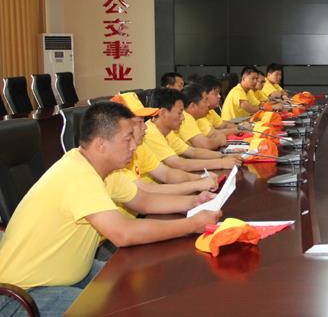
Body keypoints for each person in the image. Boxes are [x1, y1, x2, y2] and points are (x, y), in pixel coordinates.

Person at [0, 103, 221, 316]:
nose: (134, 146)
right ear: (100, 145)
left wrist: (194, 202)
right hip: (23, 294)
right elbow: (124, 233)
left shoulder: (104, 171)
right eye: (127, 139)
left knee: (141, 287)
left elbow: (144, 201)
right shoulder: (77, 175)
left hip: (72, 273)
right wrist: (192, 224)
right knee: (117, 308)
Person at [145, 88, 241, 172]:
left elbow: (193, 152)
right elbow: (180, 164)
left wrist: (223, 156)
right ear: (163, 113)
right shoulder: (151, 132)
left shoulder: (167, 132)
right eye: (179, 113)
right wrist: (221, 163)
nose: (183, 118)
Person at [178, 83, 228, 150]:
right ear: (193, 106)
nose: (208, 104)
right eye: (205, 101)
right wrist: (219, 140)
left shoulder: (196, 117)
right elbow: (205, 145)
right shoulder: (185, 117)